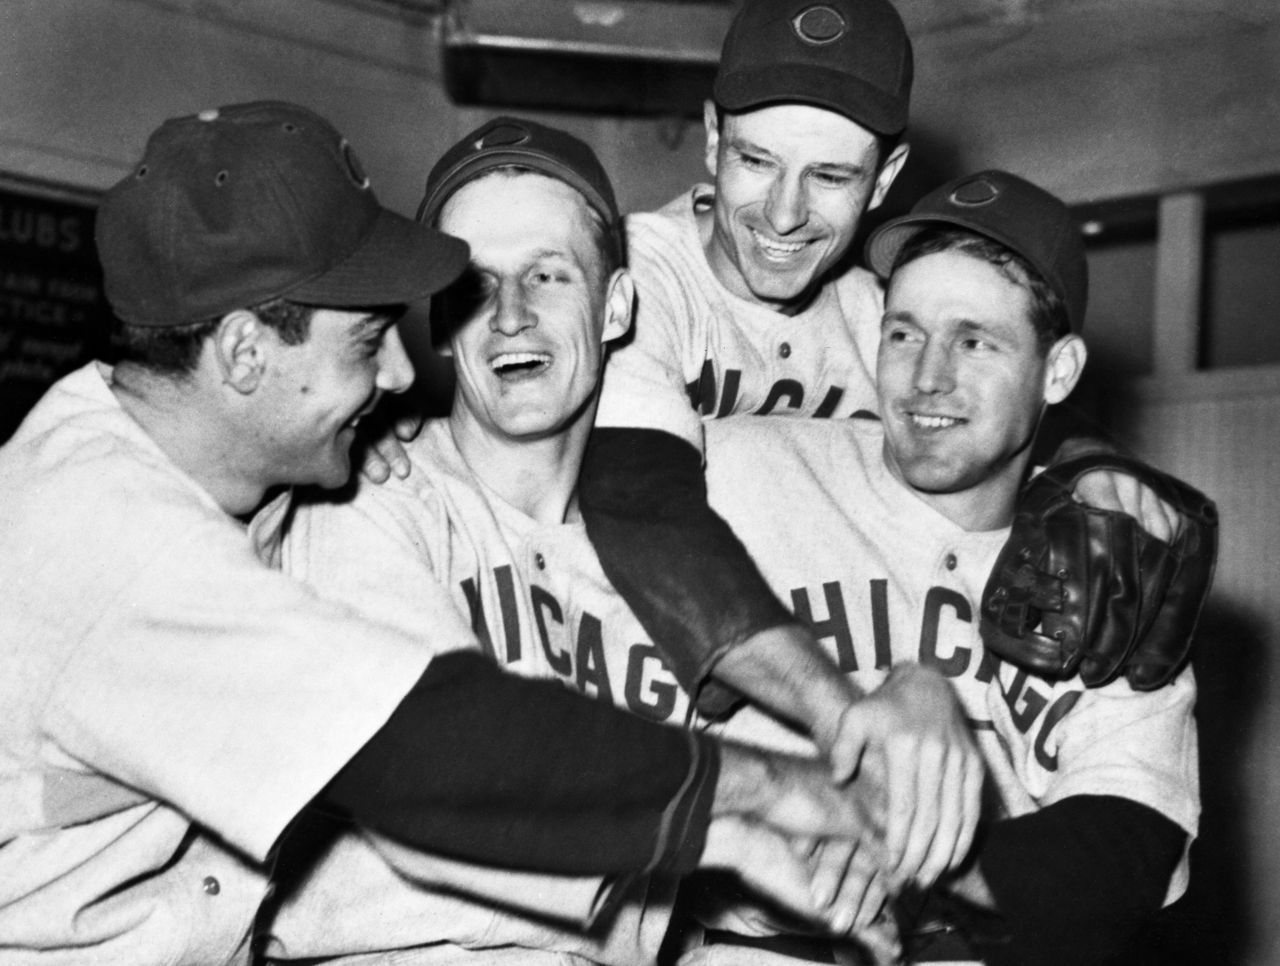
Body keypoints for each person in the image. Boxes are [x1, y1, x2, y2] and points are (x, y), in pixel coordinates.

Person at [0, 101, 890, 966]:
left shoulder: (192, 469)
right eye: (365, 344)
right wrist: (756, 797)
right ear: (242, 354)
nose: (398, 373)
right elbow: (430, 756)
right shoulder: (111, 537)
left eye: (548, 275)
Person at [562, 0, 1182, 882]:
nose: (783, 214)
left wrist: (1090, 465)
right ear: (711, 138)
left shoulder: (873, 316)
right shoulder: (632, 279)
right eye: (756, 160)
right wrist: (846, 712)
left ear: (885, 175)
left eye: (829, 176)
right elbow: (639, 507)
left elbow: (1003, 410)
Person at [270, 115, 900, 966]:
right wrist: (738, 821)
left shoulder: (676, 565)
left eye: (548, 274)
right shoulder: (369, 504)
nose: (511, 316)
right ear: (441, 321)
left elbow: (777, 842)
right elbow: (446, 795)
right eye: (474, 285)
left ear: (616, 307)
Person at [696, 170, 1199, 964]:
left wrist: (897, 846)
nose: (928, 376)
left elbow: (1126, 848)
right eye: (904, 334)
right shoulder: (740, 469)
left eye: (975, 341)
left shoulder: (1111, 550)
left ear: (1058, 372)